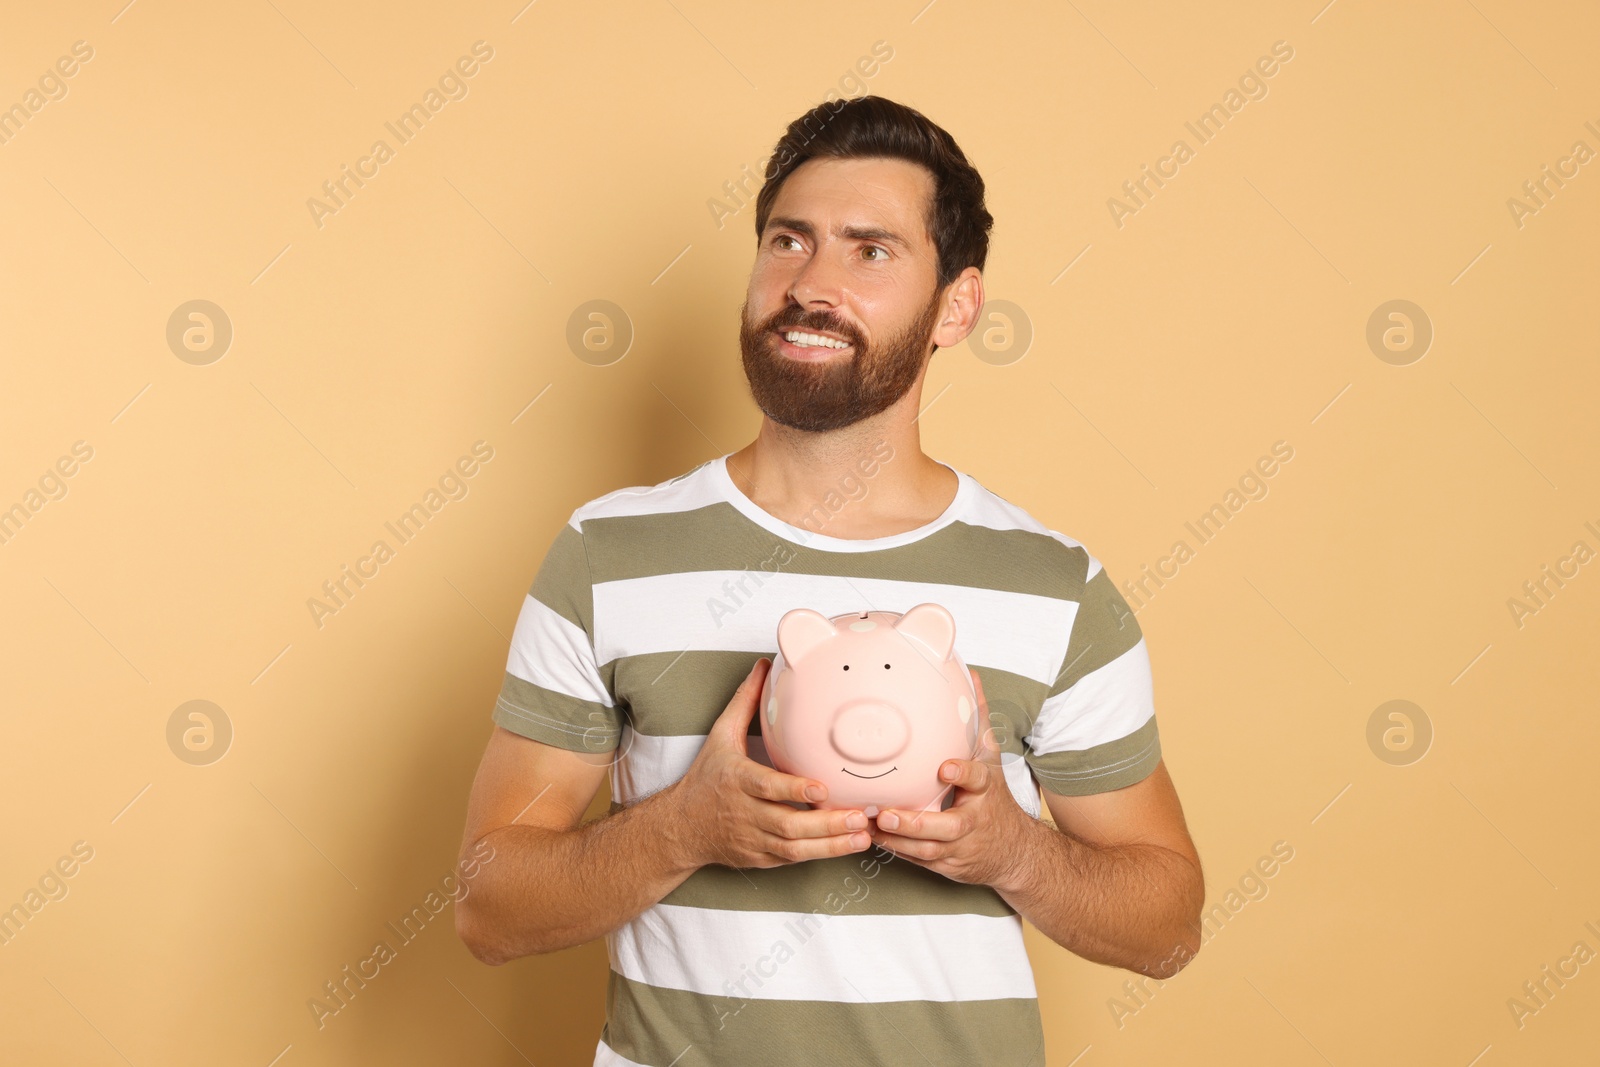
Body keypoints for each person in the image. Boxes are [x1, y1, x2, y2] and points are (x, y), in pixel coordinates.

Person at [455, 94, 1204, 1066]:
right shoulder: (609, 552)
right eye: (787, 240)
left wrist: (1011, 849)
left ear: (958, 305)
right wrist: (682, 828)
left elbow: (1168, 928)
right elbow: (486, 903)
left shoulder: (1054, 585)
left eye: (870, 250)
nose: (810, 282)